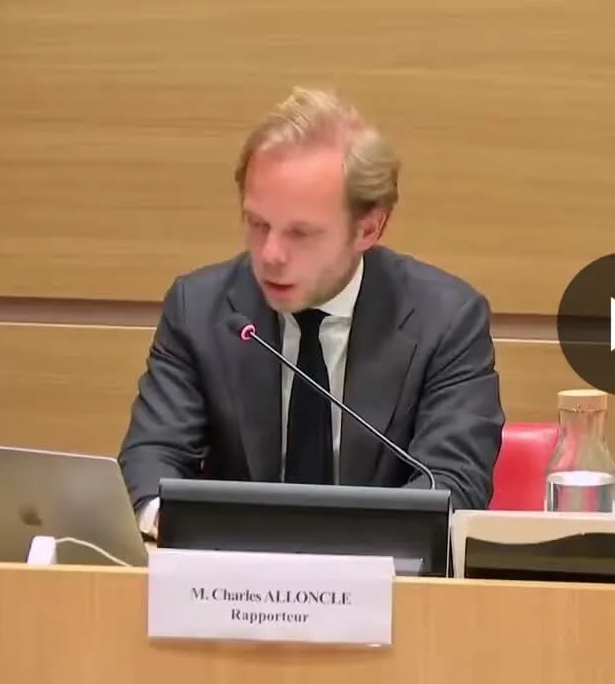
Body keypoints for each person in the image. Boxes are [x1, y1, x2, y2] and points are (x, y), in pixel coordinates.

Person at [118, 87, 505, 537]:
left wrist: (336, 554)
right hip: (231, 573)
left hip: (382, 575)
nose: (271, 254)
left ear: (369, 228)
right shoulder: (199, 309)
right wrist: (174, 522)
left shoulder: (446, 320)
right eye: (258, 224)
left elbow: (453, 484)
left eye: (300, 233)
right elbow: (152, 458)